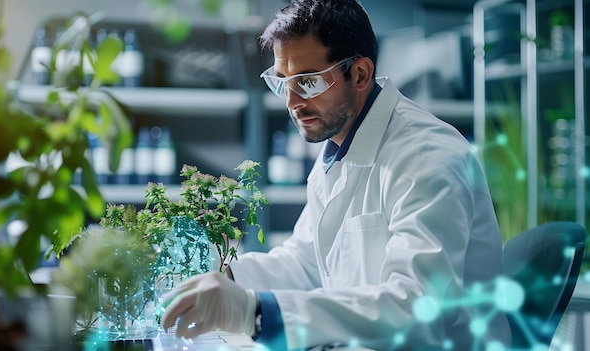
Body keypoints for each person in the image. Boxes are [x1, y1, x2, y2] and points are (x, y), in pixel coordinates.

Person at [160, 0, 511, 350]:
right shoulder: (340, 147)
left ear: (359, 74)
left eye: (308, 81)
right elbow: (306, 260)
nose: (292, 101)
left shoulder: (426, 155)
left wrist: (254, 311)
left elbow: (418, 308)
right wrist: (227, 278)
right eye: (282, 82)